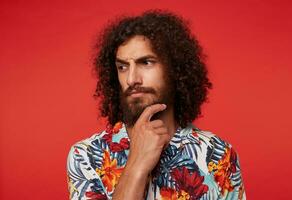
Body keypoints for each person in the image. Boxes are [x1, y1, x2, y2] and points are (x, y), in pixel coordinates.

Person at [67, 10, 246, 200]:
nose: (131, 79)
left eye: (146, 62)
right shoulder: (86, 155)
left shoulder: (217, 154)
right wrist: (136, 166)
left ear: (174, 69)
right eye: (122, 67)